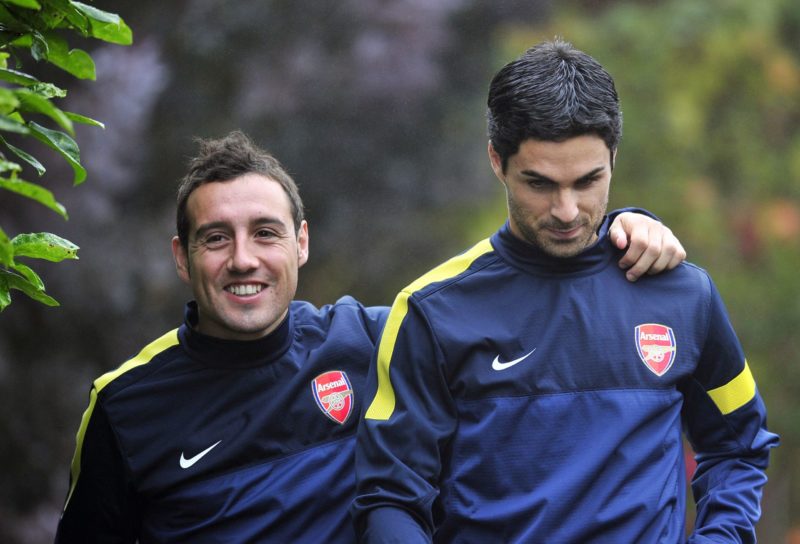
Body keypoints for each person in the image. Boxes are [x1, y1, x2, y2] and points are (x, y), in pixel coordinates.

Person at [54, 131, 684, 543]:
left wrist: (625, 228)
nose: (244, 258)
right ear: (182, 256)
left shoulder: (377, 341)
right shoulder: (125, 406)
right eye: (217, 238)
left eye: (266, 233)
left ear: (301, 243)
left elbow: (527, 306)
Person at [353, 40, 779, 543]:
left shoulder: (683, 294)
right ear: (497, 160)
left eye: (588, 181)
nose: (567, 210)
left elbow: (740, 445)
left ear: (614, 157)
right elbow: (390, 497)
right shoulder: (430, 310)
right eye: (539, 184)